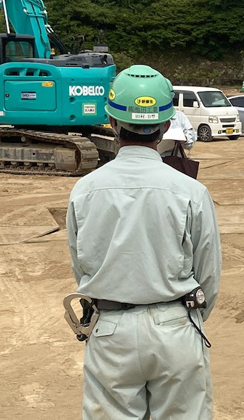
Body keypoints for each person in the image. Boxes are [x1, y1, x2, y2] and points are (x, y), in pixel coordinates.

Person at [68, 65, 221, 419]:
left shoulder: (85, 190)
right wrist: (189, 319)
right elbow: (209, 273)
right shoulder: (191, 192)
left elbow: (81, 266)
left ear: (111, 122)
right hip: (176, 326)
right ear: (167, 125)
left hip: (111, 330)